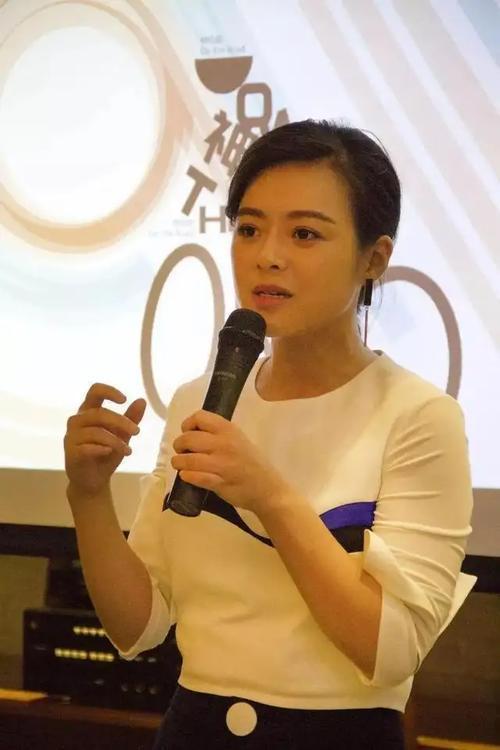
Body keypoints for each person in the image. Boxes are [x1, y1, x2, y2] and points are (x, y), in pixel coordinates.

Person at [64, 120, 475, 749]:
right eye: (250, 229)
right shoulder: (198, 401)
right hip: (193, 731)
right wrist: (88, 496)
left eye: (304, 233)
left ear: (374, 258)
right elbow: (137, 626)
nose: (267, 255)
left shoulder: (418, 416)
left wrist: (271, 496)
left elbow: (390, 653)